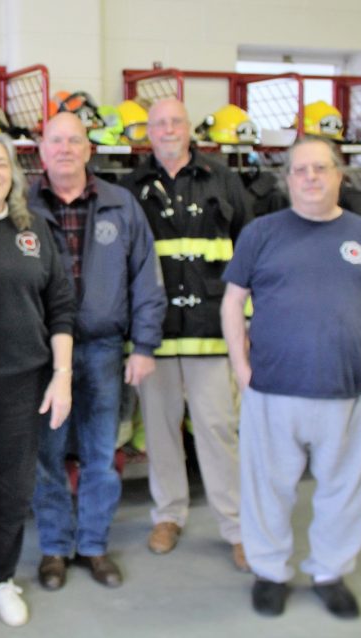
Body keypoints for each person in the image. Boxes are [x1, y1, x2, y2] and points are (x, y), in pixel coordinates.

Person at [221, 137, 361, 619]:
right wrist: (242, 369)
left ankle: (329, 571)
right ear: (288, 178)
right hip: (273, 391)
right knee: (267, 488)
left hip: (352, 393)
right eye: (300, 170)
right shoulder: (262, 233)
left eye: (320, 168)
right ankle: (271, 571)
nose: (310, 178)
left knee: (346, 490)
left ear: (338, 175)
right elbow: (232, 302)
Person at [28, 113, 166, 591]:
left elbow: (146, 277)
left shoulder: (120, 204)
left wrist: (144, 345)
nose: (65, 148)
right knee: (45, 458)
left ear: (89, 150)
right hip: (41, 357)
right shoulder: (20, 205)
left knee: (100, 455)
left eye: (74, 140)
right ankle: (53, 548)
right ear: (41, 150)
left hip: (106, 349)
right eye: (56, 140)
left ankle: (92, 546)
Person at [121, 98, 249, 570]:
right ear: (147, 132)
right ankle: (168, 515)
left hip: (213, 330)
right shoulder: (131, 187)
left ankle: (237, 526)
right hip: (154, 334)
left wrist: (247, 323)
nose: (167, 129)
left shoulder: (223, 178)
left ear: (189, 128)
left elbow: (249, 250)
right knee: (159, 432)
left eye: (176, 121)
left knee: (219, 430)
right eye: (158, 123)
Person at [0, 131, 76, 627]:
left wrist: (62, 375)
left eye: (0, 165)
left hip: (23, 383)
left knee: (10, 490)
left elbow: (61, 307)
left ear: (14, 174)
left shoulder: (35, 231)